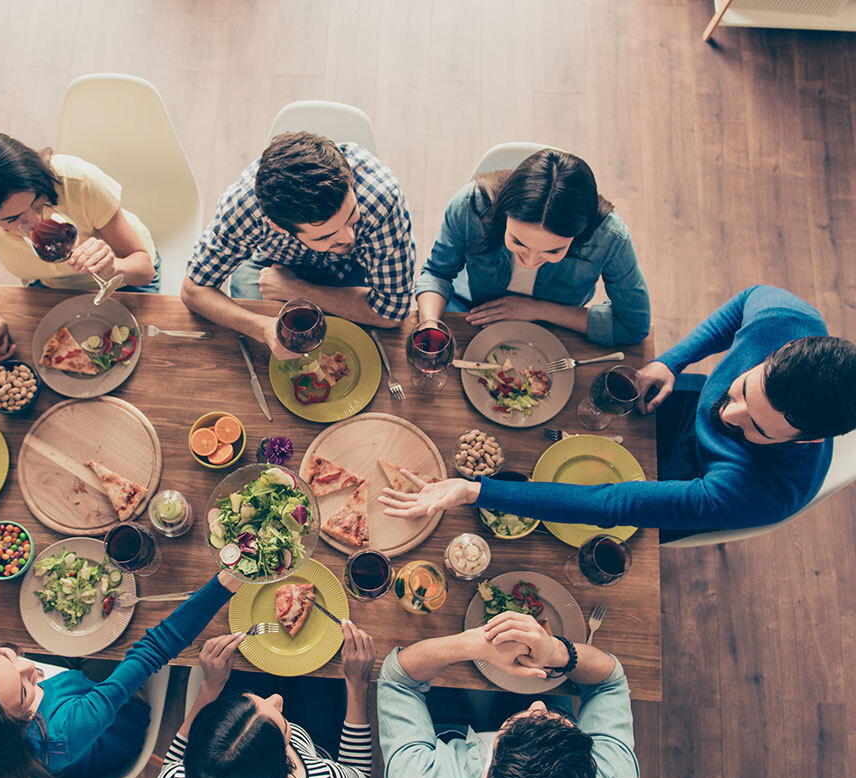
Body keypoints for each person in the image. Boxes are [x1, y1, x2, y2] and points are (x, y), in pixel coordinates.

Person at [381, 285, 856, 541]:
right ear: (778, 351)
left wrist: (473, 490)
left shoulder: (759, 493)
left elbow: (614, 503)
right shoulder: (788, 321)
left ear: (807, 439)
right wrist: (673, 360)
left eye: (756, 426)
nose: (727, 416)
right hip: (675, 407)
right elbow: (744, 301)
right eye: (741, 391)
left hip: (706, 484)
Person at [0, 573, 242, 778]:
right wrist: (226, 582)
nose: (32, 668)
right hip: (119, 731)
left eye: (6, 657)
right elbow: (153, 648)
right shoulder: (68, 728)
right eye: (25, 692)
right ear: (12, 728)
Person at [379, 611, 639, 778]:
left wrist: (470, 645)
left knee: (436, 649)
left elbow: (398, 680)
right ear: (591, 764)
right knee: (536, 677)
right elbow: (609, 682)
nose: (538, 705)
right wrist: (556, 651)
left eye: (525, 719)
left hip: (448, 742)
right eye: (557, 720)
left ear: (486, 775)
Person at [0, 129, 159, 360]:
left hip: (126, 281)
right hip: (53, 291)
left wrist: (114, 267)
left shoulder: (76, 181)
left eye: (37, 202)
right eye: (13, 219)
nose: (35, 222)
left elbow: (145, 271)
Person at [181, 131, 416, 358]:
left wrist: (297, 290)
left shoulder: (383, 200)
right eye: (326, 236)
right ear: (279, 226)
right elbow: (194, 290)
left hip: (350, 269)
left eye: (352, 216)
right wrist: (262, 327)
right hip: (270, 266)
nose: (349, 238)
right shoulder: (244, 207)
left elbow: (392, 313)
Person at [155, 621, 375, 778]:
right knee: (322, 653)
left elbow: (176, 760)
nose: (276, 698)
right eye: (284, 728)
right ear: (283, 764)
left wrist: (210, 687)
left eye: (247, 698)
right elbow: (358, 774)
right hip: (314, 738)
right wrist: (358, 683)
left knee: (249, 644)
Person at [414, 148, 650, 347]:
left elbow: (633, 326)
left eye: (552, 251)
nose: (528, 261)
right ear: (503, 213)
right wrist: (429, 323)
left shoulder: (610, 238)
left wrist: (539, 310)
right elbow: (437, 273)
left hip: (554, 328)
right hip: (468, 308)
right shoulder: (470, 206)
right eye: (518, 242)